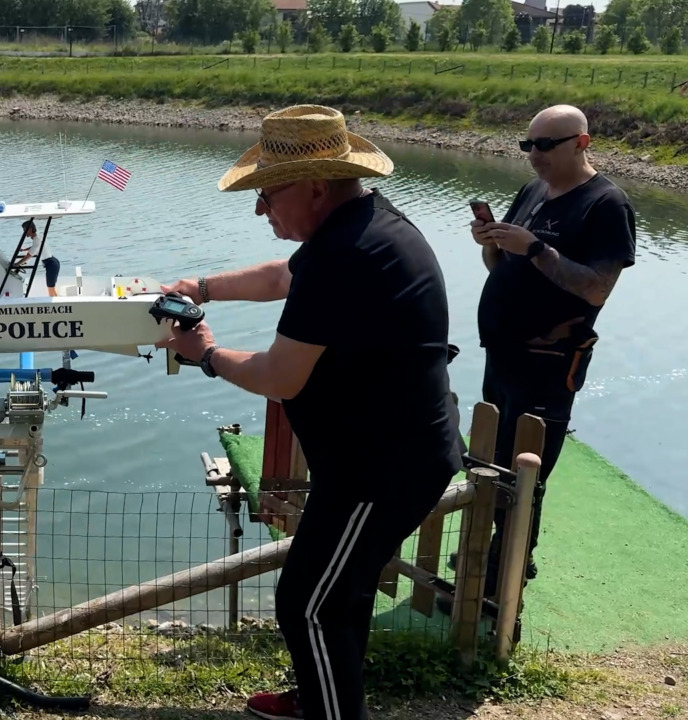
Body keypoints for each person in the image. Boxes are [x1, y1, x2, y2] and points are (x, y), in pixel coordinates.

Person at [159, 105, 462, 720]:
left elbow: (280, 377)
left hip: (379, 469)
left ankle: (329, 709)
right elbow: (282, 277)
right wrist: (202, 287)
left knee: (308, 604)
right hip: (386, 456)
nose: (260, 209)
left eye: (268, 194)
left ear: (316, 187)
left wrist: (206, 353)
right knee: (339, 595)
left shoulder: (344, 254)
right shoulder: (365, 224)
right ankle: (323, 697)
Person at [460, 104, 636, 597]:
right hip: (503, 353)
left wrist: (536, 248)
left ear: (581, 143)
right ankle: (496, 552)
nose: (534, 155)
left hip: (549, 362)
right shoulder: (533, 190)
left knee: (526, 470)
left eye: (544, 145)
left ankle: (511, 569)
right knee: (493, 459)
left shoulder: (607, 204)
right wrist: (491, 242)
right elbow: (505, 269)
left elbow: (597, 288)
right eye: (528, 145)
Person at [0, 219, 62, 296]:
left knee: (50, 287)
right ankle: (54, 298)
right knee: (51, 286)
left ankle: (53, 300)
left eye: (25, 230)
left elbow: (29, 256)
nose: (24, 232)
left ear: (30, 229)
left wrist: (16, 264)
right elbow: (36, 247)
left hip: (51, 264)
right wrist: (25, 249)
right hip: (53, 262)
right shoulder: (38, 237)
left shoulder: (36, 240)